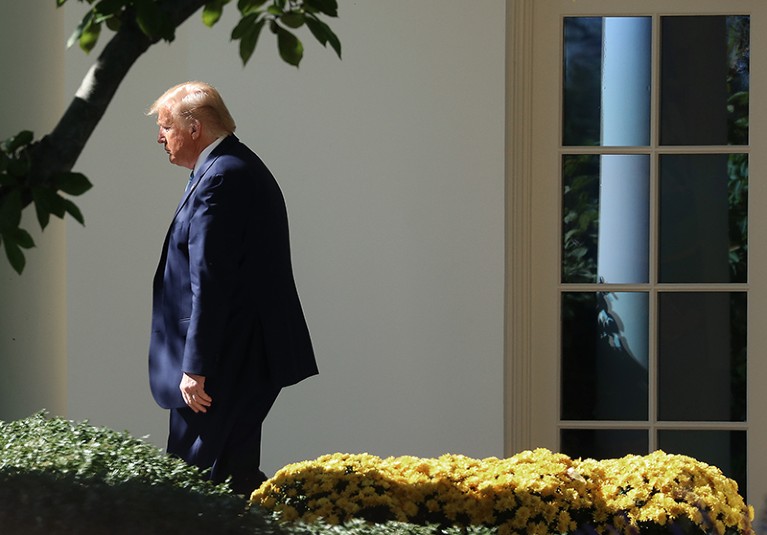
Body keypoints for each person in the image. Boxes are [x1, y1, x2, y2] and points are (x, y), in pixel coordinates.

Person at [146, 81, 317, 494]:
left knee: (190, 489)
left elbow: (211, 279)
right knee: (234, 483)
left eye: (166, 126)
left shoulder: (222, 177)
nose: (159, 137)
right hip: (238, 359)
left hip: (222, 366)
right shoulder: (226, 168)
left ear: (194, 130)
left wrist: (196, 367)